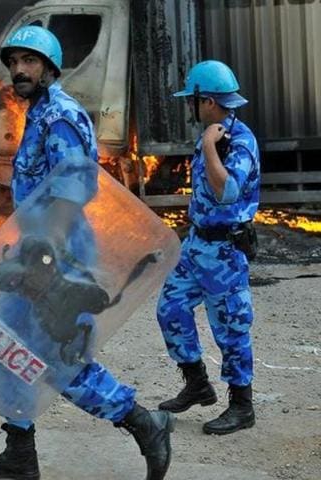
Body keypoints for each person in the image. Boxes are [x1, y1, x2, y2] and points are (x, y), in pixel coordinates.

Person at [0, 26, 175, 480]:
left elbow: (71, 189)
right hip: (36, 247)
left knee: (57, 360)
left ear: (49, 69)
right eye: (15, 61)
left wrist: (44, 256)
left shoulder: (60, 115)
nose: (19, 70)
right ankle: (19, 453)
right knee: (4, 347)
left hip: (56, 253)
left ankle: (144, 422)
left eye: (30, 62)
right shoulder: (39, 115)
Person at [156, 60, 260, 435]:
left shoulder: (239, 141)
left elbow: (228, 190)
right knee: (170, 309)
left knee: (230, 327)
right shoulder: (213, 135)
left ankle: (242, 405)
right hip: (197, 244)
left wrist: (208, 147)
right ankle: (197, 383)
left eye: (193, 100)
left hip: (225, 251)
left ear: (208, 100)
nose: (191, 107)